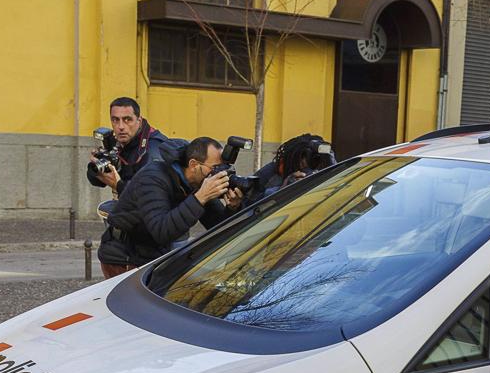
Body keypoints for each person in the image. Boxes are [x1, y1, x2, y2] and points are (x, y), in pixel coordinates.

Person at [97, 137, 242, 278]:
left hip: (152, 253)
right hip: (123, 257)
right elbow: (161, 230)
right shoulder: (153, 178)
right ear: (193, 165)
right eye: (214, 168)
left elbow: (218, 225)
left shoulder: (196, 182)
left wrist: (232, 207)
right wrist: (200, 198)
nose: (218, 174)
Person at [87, 97, 169, 197]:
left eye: (127, 120)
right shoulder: (115, 140)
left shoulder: (154, 149)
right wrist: (98, 166)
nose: (121, 126)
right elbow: (98, 182)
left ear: (139, 121)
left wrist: (117, 185)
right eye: (115, 120)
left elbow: (150, 195)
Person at [250, 134, 336, 200]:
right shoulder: (270, 172)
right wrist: (284, 190)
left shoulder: (323, 171)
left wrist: (333, 168)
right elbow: (250, 206)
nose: (307, 172)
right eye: (302, 166)